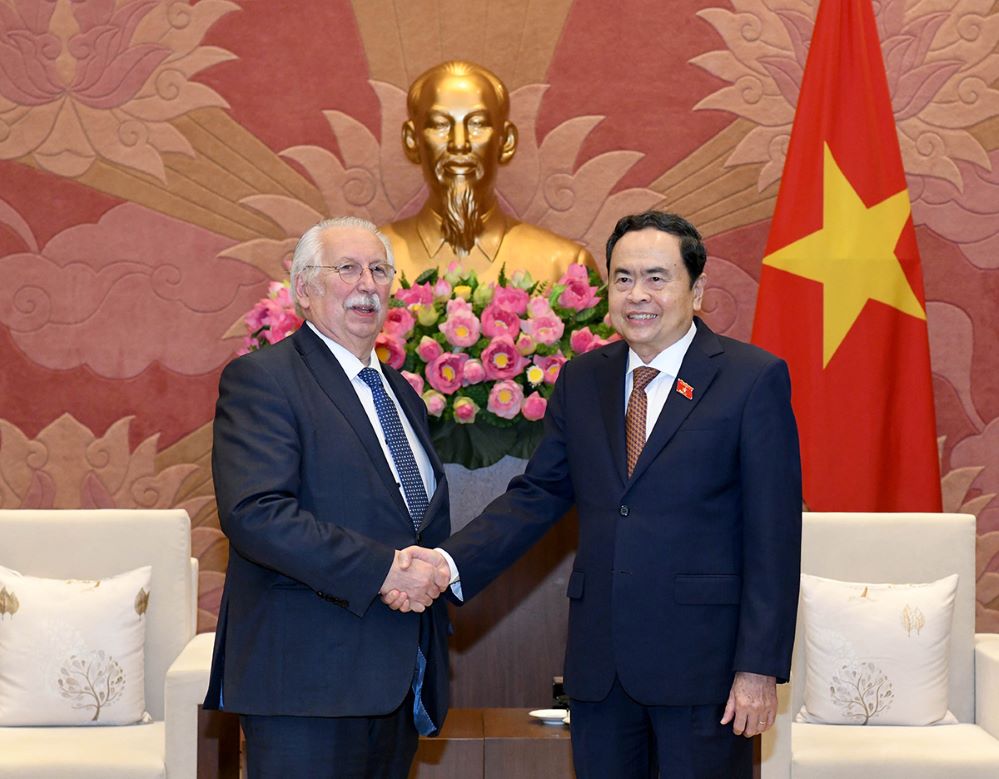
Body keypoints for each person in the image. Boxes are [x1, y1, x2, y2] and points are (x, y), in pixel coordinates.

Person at [389, 211, 802, 778]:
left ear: (697, 289)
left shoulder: (750, 378)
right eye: (623, 278)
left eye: (657, 278)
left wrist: (757, 667)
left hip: (704, 670)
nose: (638, 295)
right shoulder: (584, 379)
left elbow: (773, 537)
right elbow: (538, 495)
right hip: (600, 668)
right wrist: (447, 564)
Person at [204, 216, 452, 779]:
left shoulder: (401, 393)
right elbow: (256, 514)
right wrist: (386, 570)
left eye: (380, 270)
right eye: (347, 269)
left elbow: (415, 522)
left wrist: (434, 570)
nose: (368, 284)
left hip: (396, 682)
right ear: (304, 290)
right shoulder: (263, 379)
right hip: (305, 683)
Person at [381, 60, 595, 285]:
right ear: (412, 141)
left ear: (506, 141)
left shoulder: (565, 267)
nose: (459, 144)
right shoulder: (371, 263)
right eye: (440, 124)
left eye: (477, 124)